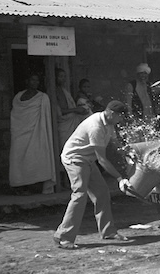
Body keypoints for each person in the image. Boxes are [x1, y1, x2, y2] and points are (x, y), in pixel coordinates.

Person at [52, 100, 133, 249]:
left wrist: (128, 154)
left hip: (88, 159)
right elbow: (102, 160)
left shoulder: (109, 124)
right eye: (120, 117)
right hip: (75, 158)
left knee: (102, 192)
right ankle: (64, 237)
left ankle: (108, 232)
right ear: (112, 113)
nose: (121, 120)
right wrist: (120, 178)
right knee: (80, 194)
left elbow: (114, 145)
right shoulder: (95, 126)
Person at [9, 73, 56, 195]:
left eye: (37, 80)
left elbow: (45, 117)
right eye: (32, 80)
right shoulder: (18, 97)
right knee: (17, 158)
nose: (35, 82)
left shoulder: (42, 97)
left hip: (36, 132)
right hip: (19, 133)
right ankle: (18, 185)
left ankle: (32, 185)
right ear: (27, 81)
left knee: (34, 157)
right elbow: (15, 115)